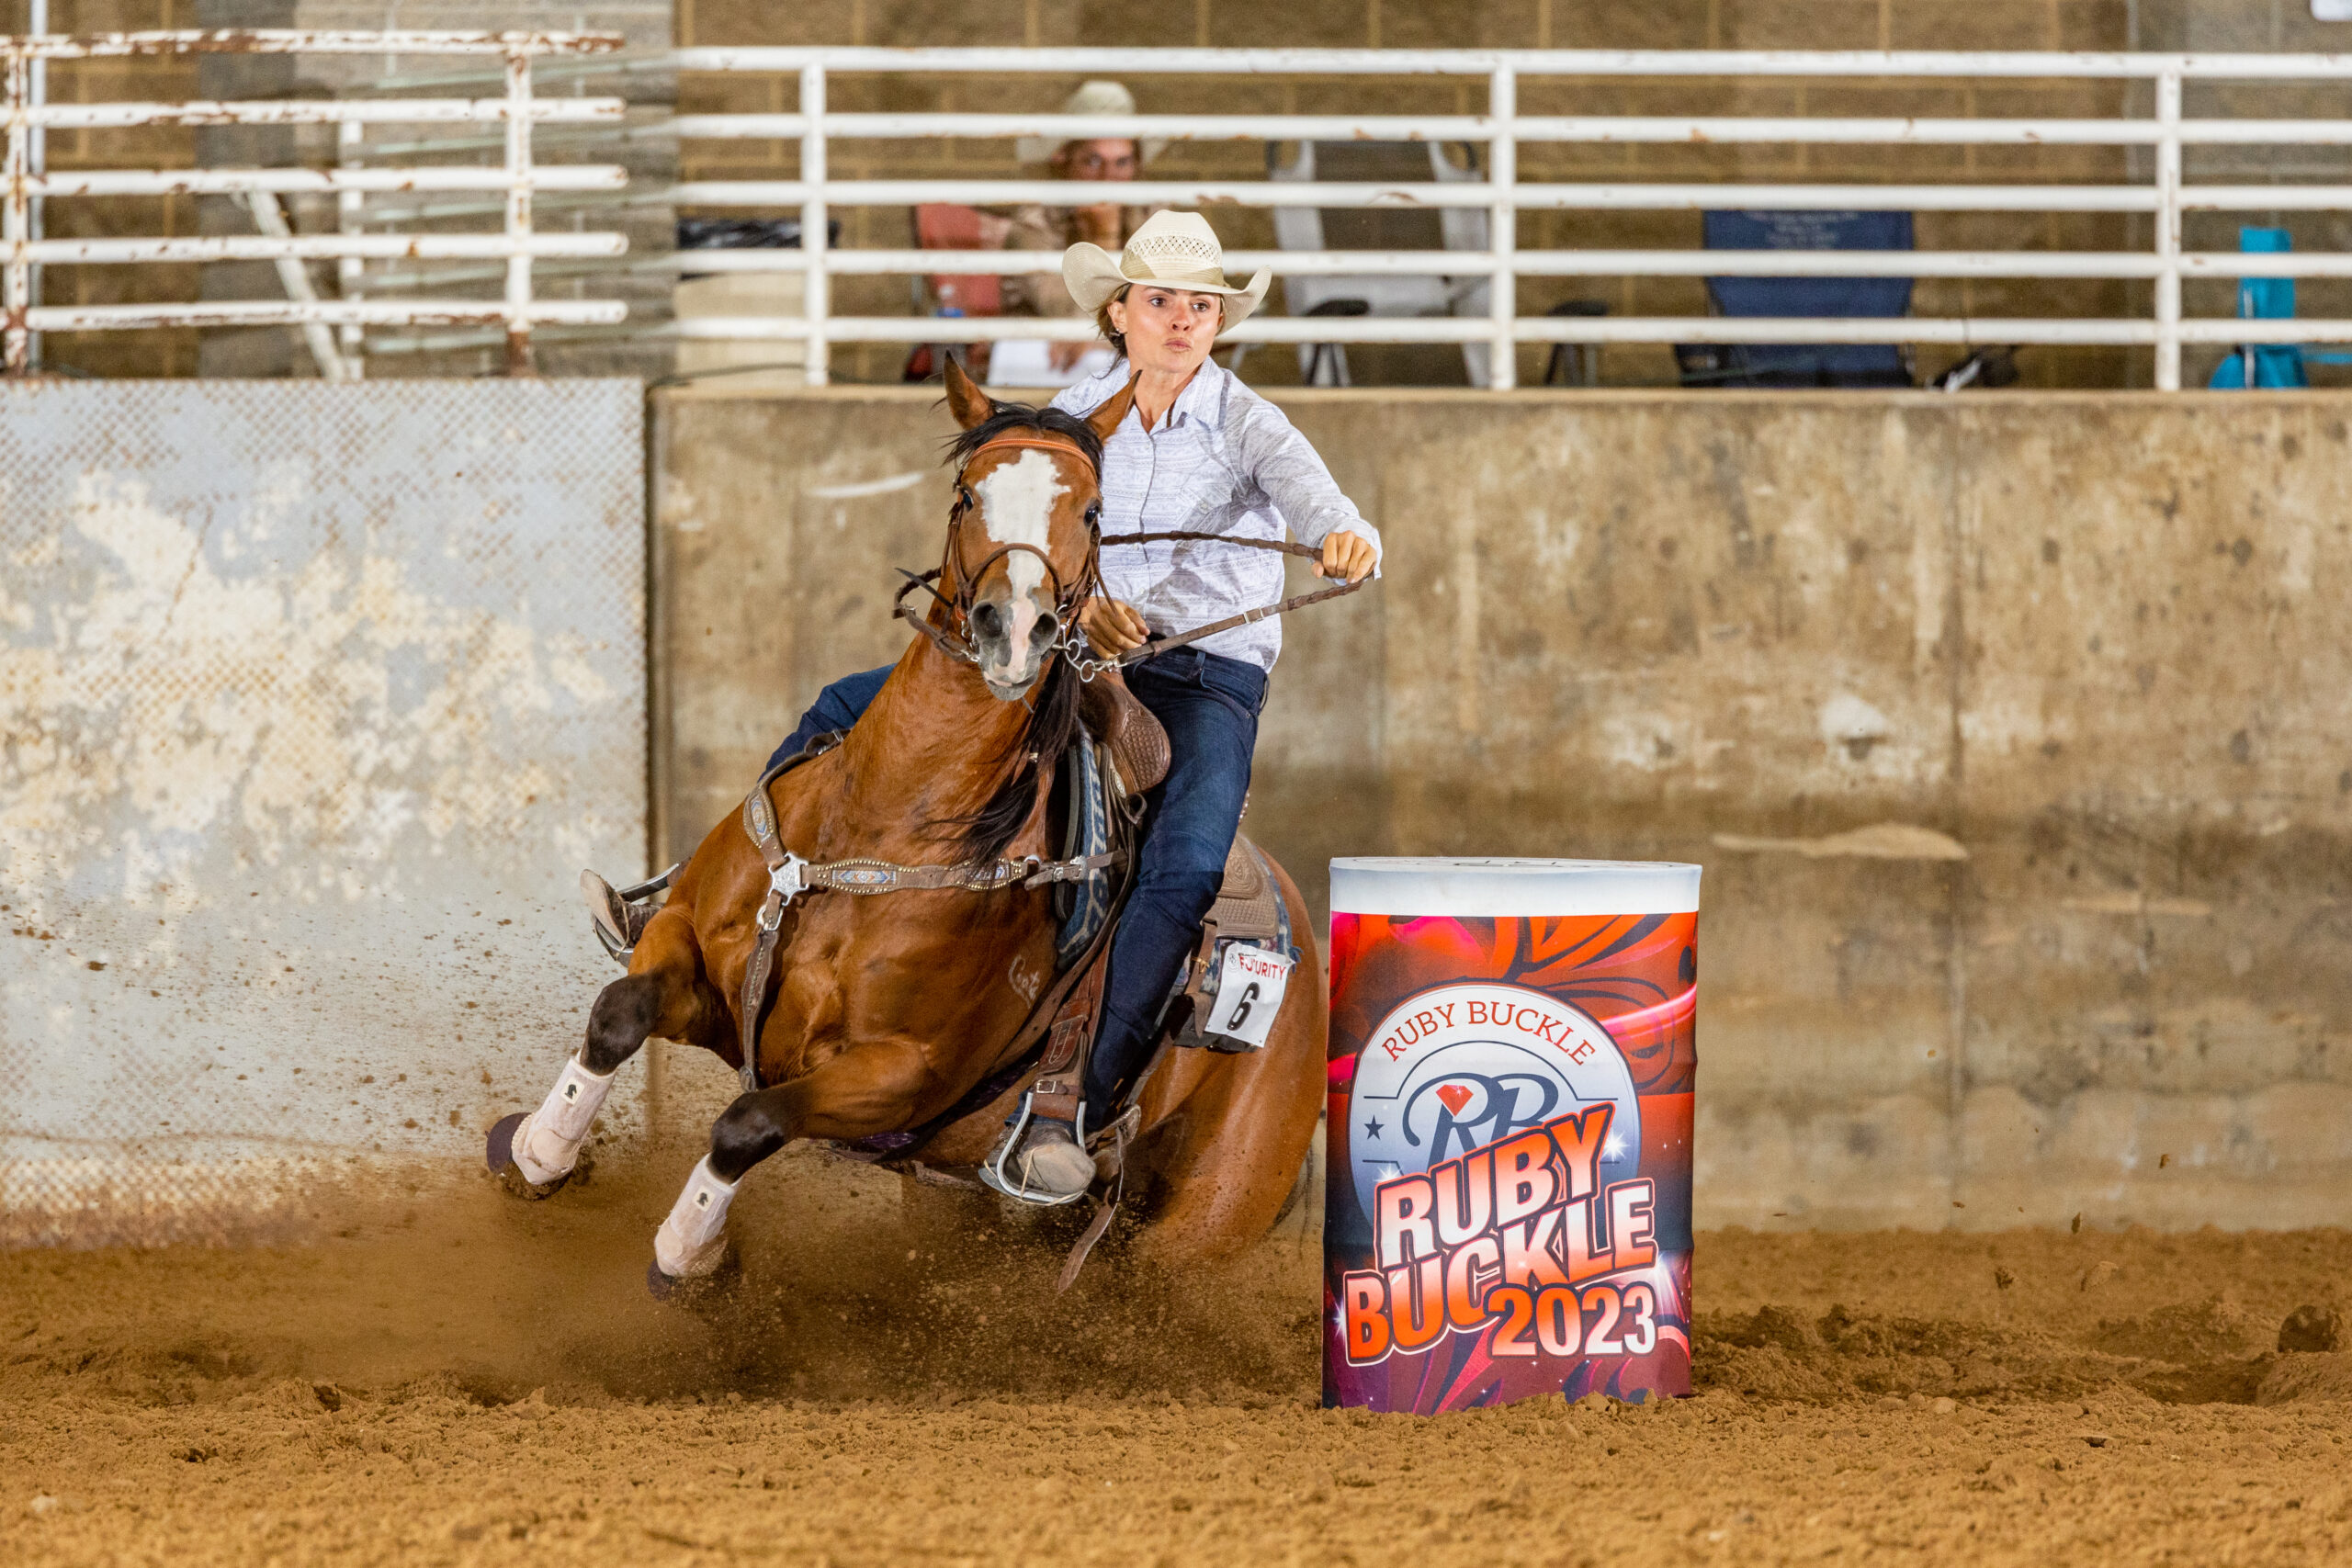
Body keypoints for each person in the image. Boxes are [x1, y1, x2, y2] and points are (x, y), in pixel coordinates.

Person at [770, 210, 1381, 1203]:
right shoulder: (1073, 413)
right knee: (848, 709)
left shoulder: (1248, 423)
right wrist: (1082, 610)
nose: (1181, 320)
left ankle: (1073, 1105)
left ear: (1218, 321)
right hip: (1073, 656)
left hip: (1202, 674)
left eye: (1201, 306)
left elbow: (1321, 504)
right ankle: (733, 900)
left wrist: (1348, 538)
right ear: (1119, 312)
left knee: (1185, 863)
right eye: (1160, 301)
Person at [999, 81, 1164, 378]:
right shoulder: (1035, 224)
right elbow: (1068, 317)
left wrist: (1109, 339)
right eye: (1092, 161)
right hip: (1043, 368)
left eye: (1122, 162)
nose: (1107, 177)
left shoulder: (1152, 218)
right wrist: (1103, 238)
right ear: (1065, 162)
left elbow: (1170, 309)